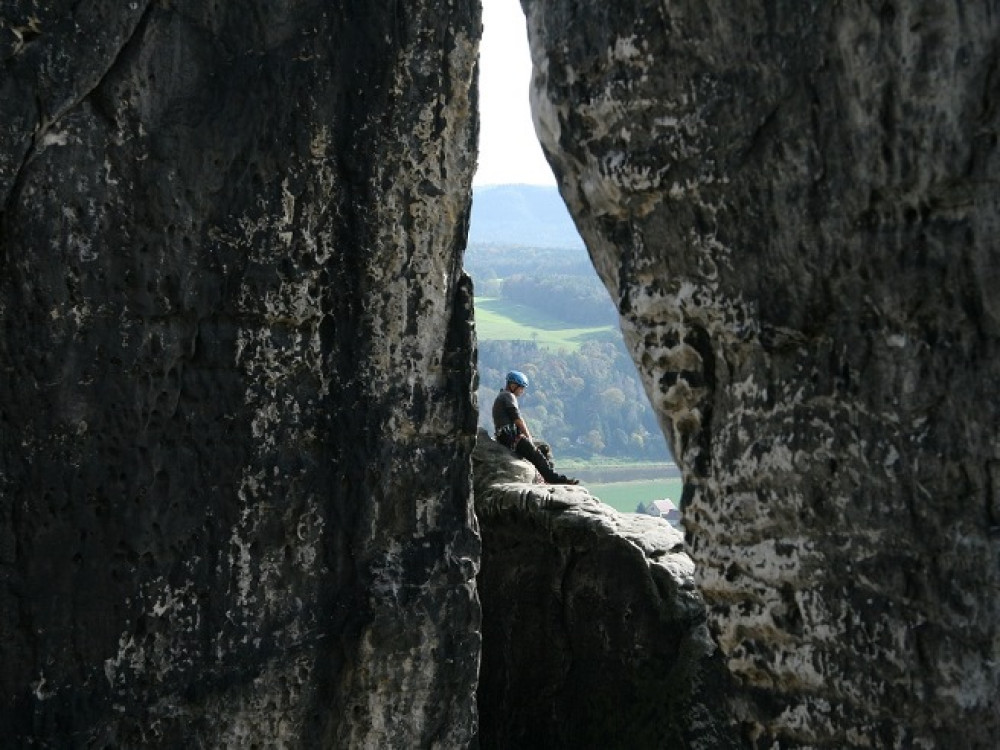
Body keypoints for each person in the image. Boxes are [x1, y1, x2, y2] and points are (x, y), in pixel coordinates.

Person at [492, 370, 579, 485]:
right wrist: (528, 437)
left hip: (506, 436)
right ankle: (553, 479)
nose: (522, 391)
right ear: (513, 385)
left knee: (543, 447)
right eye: (521, 388)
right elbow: (517, 419)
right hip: (509, 437)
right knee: (534, 452)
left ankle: (545, 477)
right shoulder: (508, 396)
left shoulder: (502, 396)